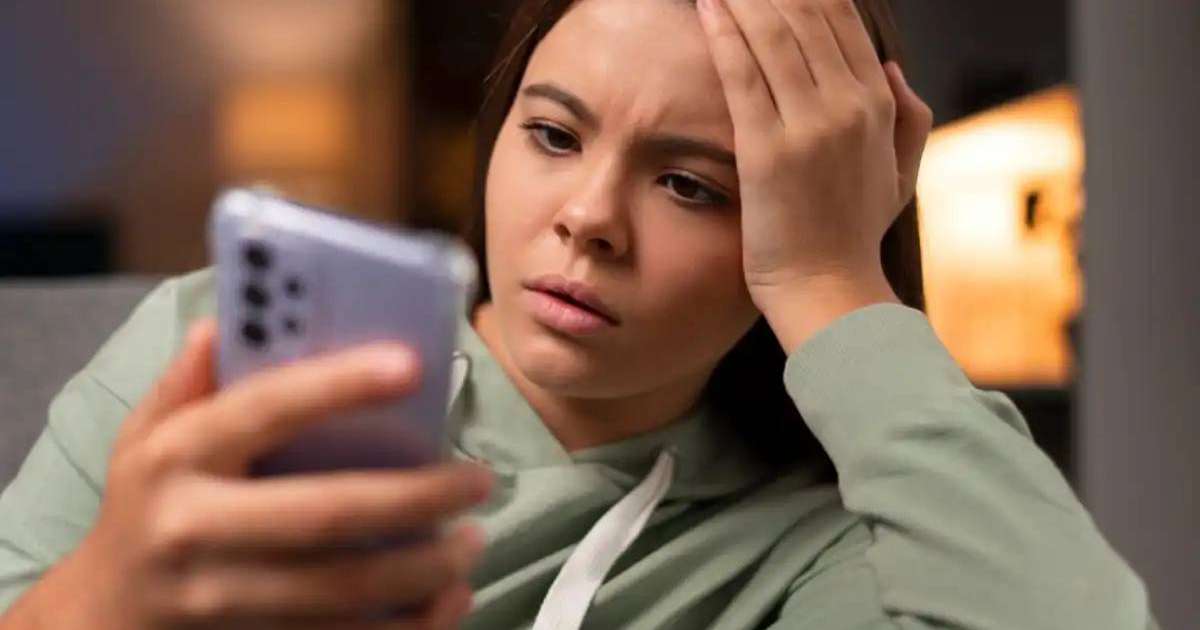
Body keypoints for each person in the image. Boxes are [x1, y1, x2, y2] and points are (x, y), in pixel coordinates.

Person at [0, 0, 1157, 628]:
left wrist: (831, 283)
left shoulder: (816, 548)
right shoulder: (219, 352)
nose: (589, 218)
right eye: (553, 135)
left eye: (692, 185)